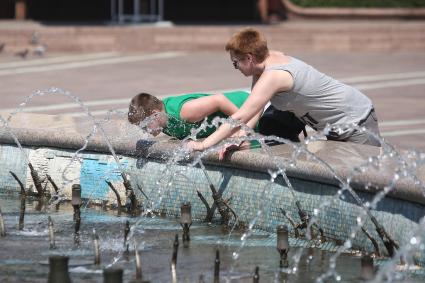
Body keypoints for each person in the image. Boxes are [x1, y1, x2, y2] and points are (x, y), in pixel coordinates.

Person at [186, 28, 381, 154]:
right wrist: (240, 137)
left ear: (249, 58)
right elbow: (254, 109)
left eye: (235, 63)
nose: (236, 67)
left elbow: (240, 116)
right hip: (336, 125)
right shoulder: (266, 63)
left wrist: (203, 145)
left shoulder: (274, 76)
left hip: (356, 120)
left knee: (366, 186)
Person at [128, 90, 305, 141]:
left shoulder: (184, 112)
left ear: (154, 114)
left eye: (144, 125)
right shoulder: (165, 122)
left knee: (280, 131)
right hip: (252, 113)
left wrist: (244, 126)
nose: (145, 131)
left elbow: (219, 100)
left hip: (258, 109)